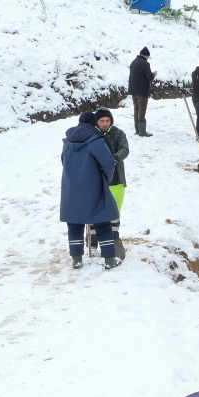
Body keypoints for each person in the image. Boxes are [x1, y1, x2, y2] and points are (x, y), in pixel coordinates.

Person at [59, 111, 120, 269]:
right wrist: (106, 178)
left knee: (74, 223)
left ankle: (77, 259)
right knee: (102, 221)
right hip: (93, 186)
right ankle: (109, 260)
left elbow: (64, 161)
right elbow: (108, 163)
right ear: (94, 123)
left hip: (71, 188)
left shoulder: (67, 142)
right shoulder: (95, 140)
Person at [91, 108, 129, 258]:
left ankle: (114, 239)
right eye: (102, 121)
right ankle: (93, 241)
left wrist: (112, 159)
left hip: (117, 179)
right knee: (96, 211)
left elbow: (124, 149)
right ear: (97, 122)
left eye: (108, 121)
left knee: (115, 211)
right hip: (98, 180)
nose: (105, 124)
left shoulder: (118, 133)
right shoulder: (92, 135)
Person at [128, 47, 155, 137]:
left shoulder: (133, 62)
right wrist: (153, 74)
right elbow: (149, 77)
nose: (148, 58)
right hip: (142, 90)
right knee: (142, 110)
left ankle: (137, 130)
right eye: (148, 57)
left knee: (136, 109)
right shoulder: (145, 64)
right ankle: (142, 132)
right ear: (145, 55)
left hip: (133, 90)